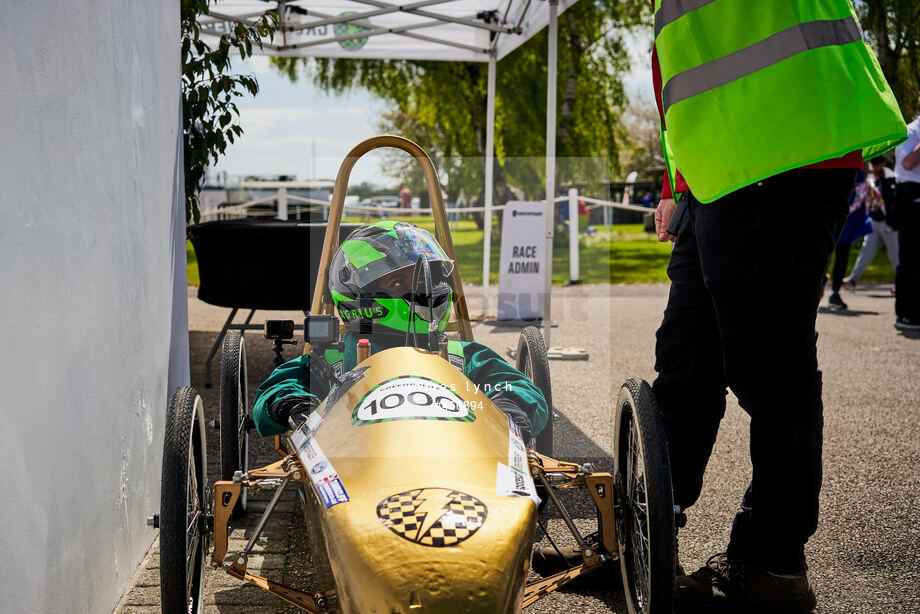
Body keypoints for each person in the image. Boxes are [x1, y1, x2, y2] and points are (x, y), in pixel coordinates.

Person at [650, 1, 906, 611]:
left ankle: (770, 562)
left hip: (788, 149)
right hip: (716, 168)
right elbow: (685, 77)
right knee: (687, 361)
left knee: (770, 367)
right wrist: (674, 181)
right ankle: (649, 521)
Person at [252, 220, 548, 443]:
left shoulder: (462, 355)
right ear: (358, 296)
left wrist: (510, 406)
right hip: (357, 463)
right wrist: (295, 405)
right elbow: (277, 390)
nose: (419, 291)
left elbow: (513, 386)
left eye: (423, 281)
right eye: (398, 283)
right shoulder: (329, 359)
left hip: (455, 458)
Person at [843, 157, 899, 290]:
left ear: (883, 164)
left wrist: (894, 220)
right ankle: (853, 280)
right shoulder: (870, 178)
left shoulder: (890, 177)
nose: (873, 166)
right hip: (874, 220)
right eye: (871, 163)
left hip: (888, 223)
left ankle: (901, 283)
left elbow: (893, 200)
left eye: (876, 164)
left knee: (895, 255)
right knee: (866, 249)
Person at [827, 170, 873, 311]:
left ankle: (834, 292)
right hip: (838, 204)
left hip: (847, 210)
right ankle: (826, 286)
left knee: (840, 254)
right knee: (828, 250)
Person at [894, 115, 920, 330]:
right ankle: (905, 314)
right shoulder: (911, 131)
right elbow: (908, 163)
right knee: (910, 258)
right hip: (911, 194)